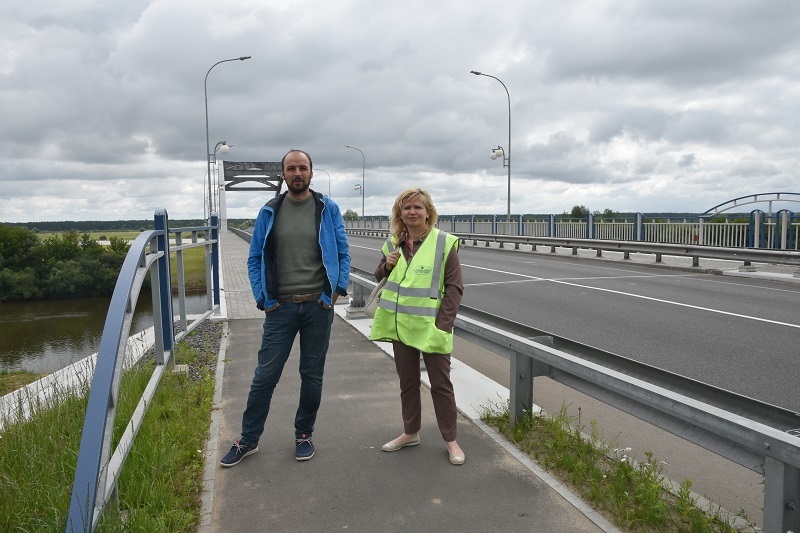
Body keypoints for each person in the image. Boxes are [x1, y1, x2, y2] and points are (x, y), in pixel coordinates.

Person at [220, 149, 350, 467]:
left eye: (302, 168)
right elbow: (254, 258)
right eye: (290, 168)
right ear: (282, 174)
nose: (297, 173)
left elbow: (343, 252)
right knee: (265, 376)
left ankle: (303, 434)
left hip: (318, 307)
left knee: (312, 375)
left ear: (311, 173)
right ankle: (248, 440)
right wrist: (264, 299)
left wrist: (336, 292)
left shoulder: (327, 208)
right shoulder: (270, 211)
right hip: (281, 309)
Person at [369, 188, 466, 465]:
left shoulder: (443, 243)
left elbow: (455, 288)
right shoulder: (393, 245)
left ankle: (451, 441)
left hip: (431, 327)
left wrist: (443, 325)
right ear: (399, 214)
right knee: (408, 383)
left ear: (428, 213)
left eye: (417, 208)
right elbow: (379, 276)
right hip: (401, 327)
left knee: (441, 385)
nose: (412, 212)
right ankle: (410, 432)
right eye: (406, 208)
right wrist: (386, 266)